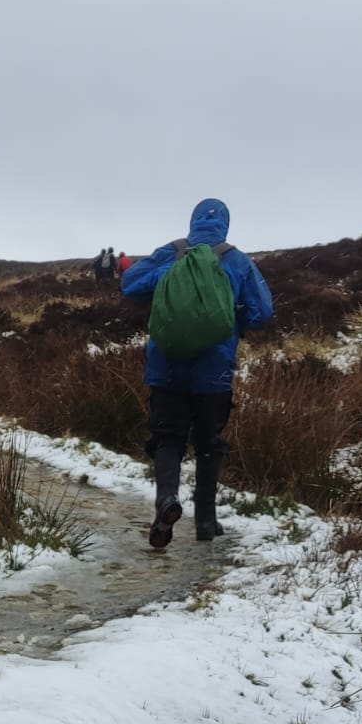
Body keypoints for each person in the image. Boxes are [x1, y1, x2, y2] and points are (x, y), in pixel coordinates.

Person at [119, 198, 273, 547]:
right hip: (214, 368)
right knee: (208, 443)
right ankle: (206, 521)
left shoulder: (171, 252)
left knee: (168, 437)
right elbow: (262, 311)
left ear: (193, 222)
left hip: (166, 364)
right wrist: (229, 323)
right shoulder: (236, 259)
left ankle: (167, 501)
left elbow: (130, 284)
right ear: (225, 225)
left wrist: (167, 287)